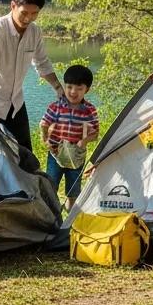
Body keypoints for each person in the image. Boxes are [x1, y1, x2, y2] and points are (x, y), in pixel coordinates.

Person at [0, 0, 64, 151]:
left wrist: (59, 89)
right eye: (24, 13)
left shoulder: (34, 32)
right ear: (13, 6)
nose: (29, 18)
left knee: (25, 153)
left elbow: (42, 63)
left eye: (34, 13)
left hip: (15, 100)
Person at [39, 63, 100, 206]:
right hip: (56, 154)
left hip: (76, 155)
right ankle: (51, 212)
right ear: (64, 86)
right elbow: (44, 123)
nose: (73, 92)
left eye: (79, 89)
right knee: (51, 185)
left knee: (73, 189)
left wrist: (84, 141)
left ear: (87, 90)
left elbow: (95, 133)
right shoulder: (56, 107)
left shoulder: (89, 110)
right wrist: (46, 139)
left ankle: (70, 214)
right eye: (69, 87)